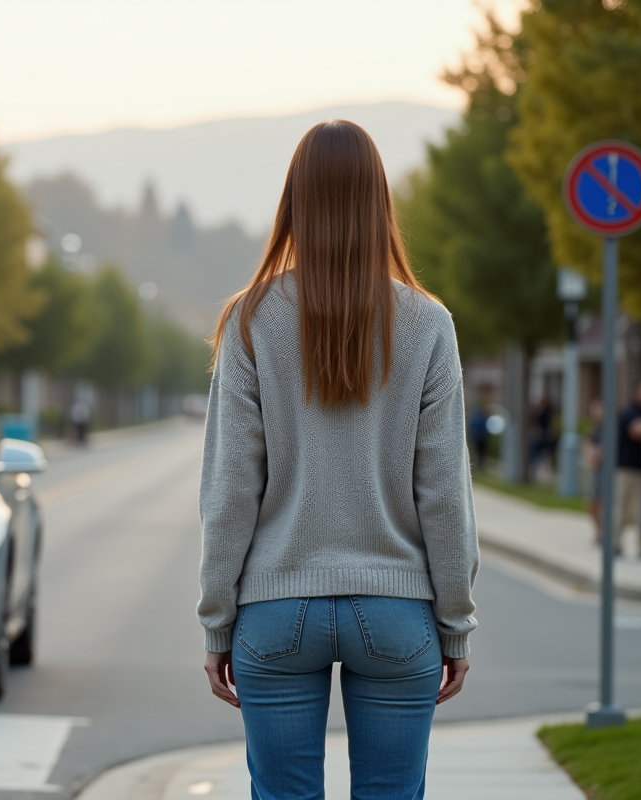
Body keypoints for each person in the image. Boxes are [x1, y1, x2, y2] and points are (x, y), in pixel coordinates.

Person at [198, 121, 477, 800]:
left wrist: (217, 621)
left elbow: (231, 489)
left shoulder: (248, 320)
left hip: (274, 610)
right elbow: (443, 491)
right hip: (396, 613)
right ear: (380, 203)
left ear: (294, 203)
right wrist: (455, 625)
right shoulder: (428, 323)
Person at [610, 377, 641, 556]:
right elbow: (637, 432)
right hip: (626, 468)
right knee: (621, 506)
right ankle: (615, 542)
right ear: (638, 392)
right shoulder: (630, 411)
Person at [586, 398, 604, 544]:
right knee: (592, 501)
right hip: (595, 470)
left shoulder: (611, 429)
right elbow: (586, 443)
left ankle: (605, 532)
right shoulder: (593, 429)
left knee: (605, 503)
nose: (596, 413)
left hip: (606, 471)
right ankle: (598, 532)